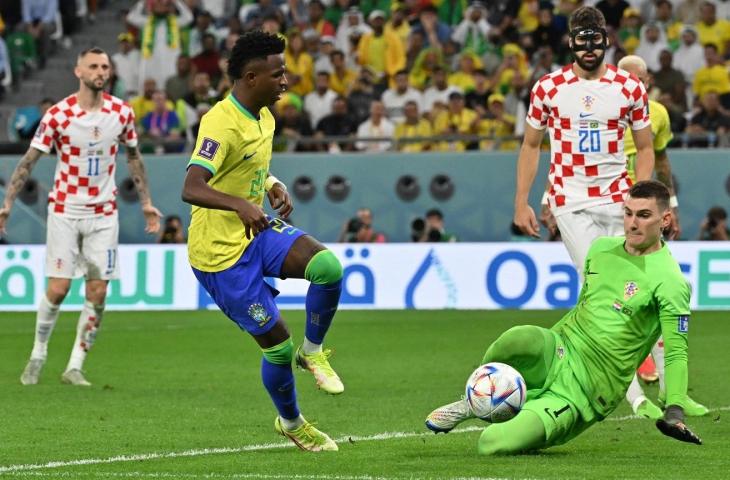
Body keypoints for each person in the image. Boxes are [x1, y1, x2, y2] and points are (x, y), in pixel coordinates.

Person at [426, 180, 703, 454]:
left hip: (587, 390)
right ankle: (474, 398)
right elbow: (584, 306)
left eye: (644, 215)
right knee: (519, 337)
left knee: (491, 443)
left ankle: (521, 408)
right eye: (628, 213)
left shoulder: (671, 282)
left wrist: (675, 409)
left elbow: (676, 351)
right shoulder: (601, 249)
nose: (632, 223)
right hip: (560, 348)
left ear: (665, 219)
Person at [181, 31, 343, 452]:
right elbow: (192, 186)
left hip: (254, 232)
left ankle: (314, 352)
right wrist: (238, 204)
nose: (286, 80)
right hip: (221, 256)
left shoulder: (265, 116)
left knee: (327, 267)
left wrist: (270, 183)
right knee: (276, 347)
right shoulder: (220, 121)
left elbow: (247, 164)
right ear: (251, 77)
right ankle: (292, 423)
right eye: (278, 74)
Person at [0, 47, 162, 387]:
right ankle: (38, 353)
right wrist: (7, 205)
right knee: (58, 289)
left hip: (104, 213)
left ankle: (74, 365)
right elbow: (29, 160)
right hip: (64, 210)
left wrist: (146, 201)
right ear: (78, 71)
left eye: (105, 66)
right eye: (93, 66)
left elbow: (134, 158)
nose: (100, 71)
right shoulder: (59, 115)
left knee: (98, 292)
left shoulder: (121, 113)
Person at [513, 6, 654, 276]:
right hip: (569, 199)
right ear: (570, 41)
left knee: (630, 279)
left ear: (606, 39)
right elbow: (530, 146)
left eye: (595, 40)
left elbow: (646, 147)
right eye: (581, 40)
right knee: (597, 276)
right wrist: (521, 203)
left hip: (619, 198)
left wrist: (640, 196)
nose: (589, 48)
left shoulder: (630, 87)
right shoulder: (547, 87)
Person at [617, 55, 709, 419]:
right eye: (624, 77)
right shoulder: (607, 111)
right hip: (613, 206)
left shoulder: (657, 114)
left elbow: (663, 160)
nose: (629, 84)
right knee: (620, 289)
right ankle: (636, 385)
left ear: (647, 79)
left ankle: (670, 386)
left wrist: (671, 207)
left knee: (660, 287)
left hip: (647, 209)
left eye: (636, 78)